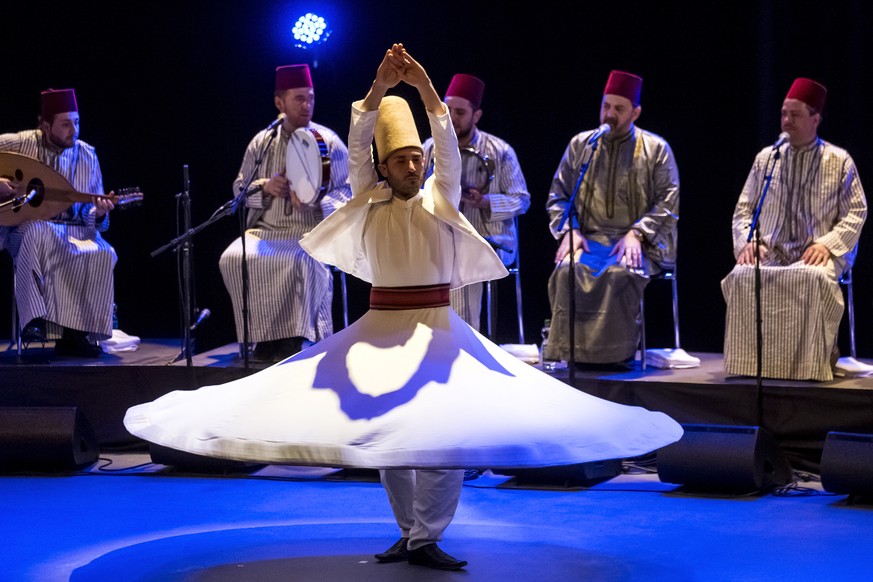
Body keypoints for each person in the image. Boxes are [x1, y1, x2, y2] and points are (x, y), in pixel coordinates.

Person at [123, 45, 682, 572]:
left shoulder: (441, 197)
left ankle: (428, 535)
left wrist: (422, 87)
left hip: (436, 329)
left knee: (441, 438)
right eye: (404, 161)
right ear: (384, 167)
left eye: (419, 159)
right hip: (380, 330)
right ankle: (408, 530)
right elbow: (360, 137)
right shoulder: (368, 200)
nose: (414, 167)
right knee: (389, 436)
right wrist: (377, 90)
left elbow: (443, 137)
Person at [721, 78, 867, 382]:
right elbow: (744, 210)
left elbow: (857, 211)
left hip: (819, 254)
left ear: (815, 120)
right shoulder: (767, 159)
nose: (786, 121)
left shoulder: (839, 160)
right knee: (742, 275)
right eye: (784, 114)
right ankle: (750, 367)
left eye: (795, 115)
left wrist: (827, 244)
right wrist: (749, 241)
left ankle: (809, 368)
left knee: (811, 278)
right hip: (772, 251)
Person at [544, 70, 680, 368]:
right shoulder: (582, 145)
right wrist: (570, 231)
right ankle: (571, 354)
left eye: (619, 109)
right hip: (590, 239)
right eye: (606, 106)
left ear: (636, 112)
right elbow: (558, 195)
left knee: (619, 274)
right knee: (567, 271)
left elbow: (668, 203)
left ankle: (615, 357)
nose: (609, 114)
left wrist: (638, 234)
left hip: (639, 242)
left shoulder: (656, 149)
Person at [219, 64, 351, 363]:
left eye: (310, 98)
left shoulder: (328, 142)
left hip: (309, 231)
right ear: (280, 102)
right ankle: (263, 339)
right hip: (267, 229)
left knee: (301, 260)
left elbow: (349, 192)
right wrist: (265, 187)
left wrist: (317, 198)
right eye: (299, 99)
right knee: (233, 257)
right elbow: (240, 189)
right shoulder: (262, 143)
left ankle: (295, 340)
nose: (307, 105)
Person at [0, 88, 117, 357]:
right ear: (44, 125)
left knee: (104, 252)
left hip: (73, 230)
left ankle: (77, 334)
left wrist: (99, 213)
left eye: (76, 123)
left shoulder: (87, 155)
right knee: (38, 230)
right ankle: (34, 321)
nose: (73, 130)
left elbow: (92, 214)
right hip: (22, 229)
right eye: (65, 124)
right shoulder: (20, 143)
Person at [421, 73, 530, 332]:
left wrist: (486, 202)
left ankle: (462, 342)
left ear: (476, 116)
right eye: (447, 111)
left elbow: (522, 201)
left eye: (460, 113)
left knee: (461, 258)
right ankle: (428, 341)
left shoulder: (499, 151)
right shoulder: (429, 148)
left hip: (490, 239)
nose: (451, 118)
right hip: (441, 239)